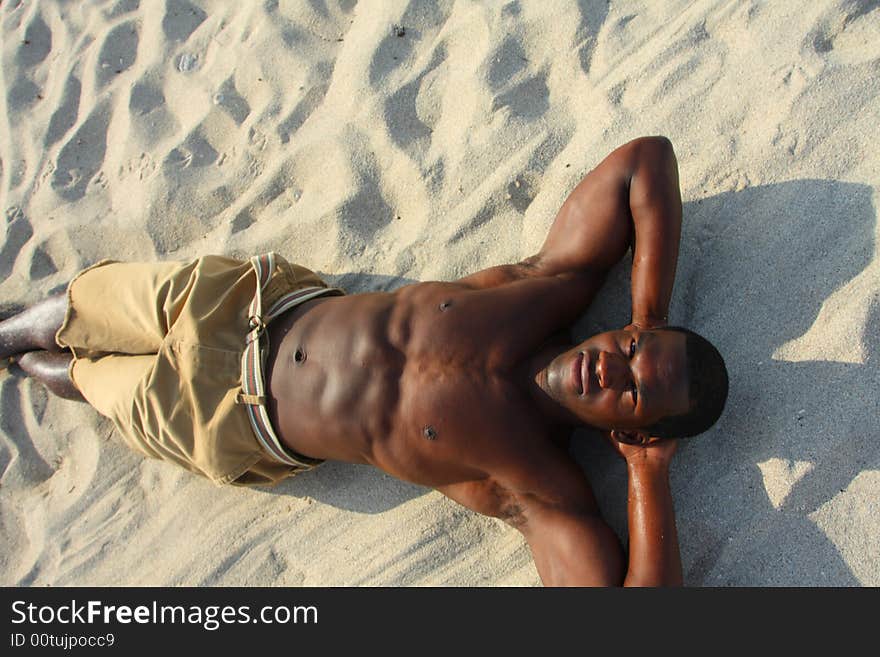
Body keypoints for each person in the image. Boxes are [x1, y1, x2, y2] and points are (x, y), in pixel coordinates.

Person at [0, 136, 728, 586]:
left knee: (87, 381)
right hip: (239, 306)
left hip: (227, 419)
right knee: (72, 309)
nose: (613, 366)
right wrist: (648, 313)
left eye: (632, 394)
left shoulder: (540, 487)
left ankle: (35, 369)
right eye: (632, 351)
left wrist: (648, 479)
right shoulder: (548, 287)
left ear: (629, 432)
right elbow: (647, 160)